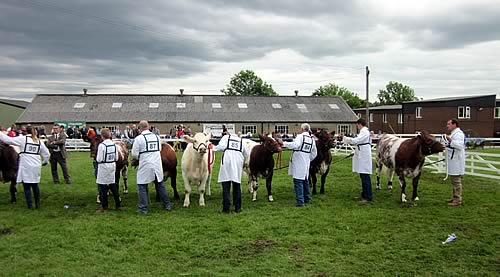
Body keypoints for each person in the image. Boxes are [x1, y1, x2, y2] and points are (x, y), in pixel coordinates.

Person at [0, 126, 49, 209]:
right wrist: (44, 162)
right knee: (35, 185)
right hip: (36, 164)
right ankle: (38, 204)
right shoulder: (39, 141)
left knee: (27, 186)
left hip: (26, 164)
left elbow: (8, 140)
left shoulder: (23, 139)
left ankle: (30, 205)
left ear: (25, 131)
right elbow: (47, 154)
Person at [131, 120, 172, 214]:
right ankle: (167, 205)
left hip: (145, 164)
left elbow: (134, 154)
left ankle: (143, 208)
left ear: (140, 128)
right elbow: (160, 149)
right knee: (160, 185)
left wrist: (138, 158)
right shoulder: (157, 137)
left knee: (142, 185)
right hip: (157, 164)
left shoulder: (139, 139)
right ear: (148, 127)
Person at [282, 123, 317, 207]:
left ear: (302, 129)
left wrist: (284, 143)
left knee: (298, 181)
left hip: (298, 161)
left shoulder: (300, 137)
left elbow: (295, 145)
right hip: (306, 162)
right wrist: (308, 158)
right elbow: (314, 153)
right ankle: (307, 198)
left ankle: (300, 201)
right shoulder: (312, 139)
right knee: (305, 180)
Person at [213, 133, 249, 213]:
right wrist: (245, 162)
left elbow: (221, 147)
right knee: (237, 185)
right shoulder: (242, 141)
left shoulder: (226, 137)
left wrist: (212, 147)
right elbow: (247, 153)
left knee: (226, 185)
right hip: (238, 161)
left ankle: (226, 208)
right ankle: (238, 208)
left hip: (227, 161)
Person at [342, 118, 373, 203]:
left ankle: (368, 196)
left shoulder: (364, 132)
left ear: (360, 124)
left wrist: (346, 139)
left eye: (357, 125)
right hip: (362, 154)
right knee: (363, 175)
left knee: (365, 176)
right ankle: (364, 194)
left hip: (364, 156)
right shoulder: (364, 132)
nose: (357, 127)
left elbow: (356, 140)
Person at [95, 128, 121, 212]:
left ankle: (104, 206)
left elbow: (99, 159)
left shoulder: (102, 145)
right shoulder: (114, 145)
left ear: (102, 136)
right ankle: (118, 205)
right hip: (112, 165)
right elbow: (116, 157)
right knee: (113, 185)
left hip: (104, 166)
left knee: (103, 187)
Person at [445, 118, 466, 207]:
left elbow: (460, 146)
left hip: (456, 160)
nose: (447, 126)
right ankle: (455, 197)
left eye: (449, 124)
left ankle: (457, 200)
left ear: (454, 125)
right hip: (453, 160)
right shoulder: (454, 134)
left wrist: (450, 140)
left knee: (456, 181)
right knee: (454, 181)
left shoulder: (459, 134)